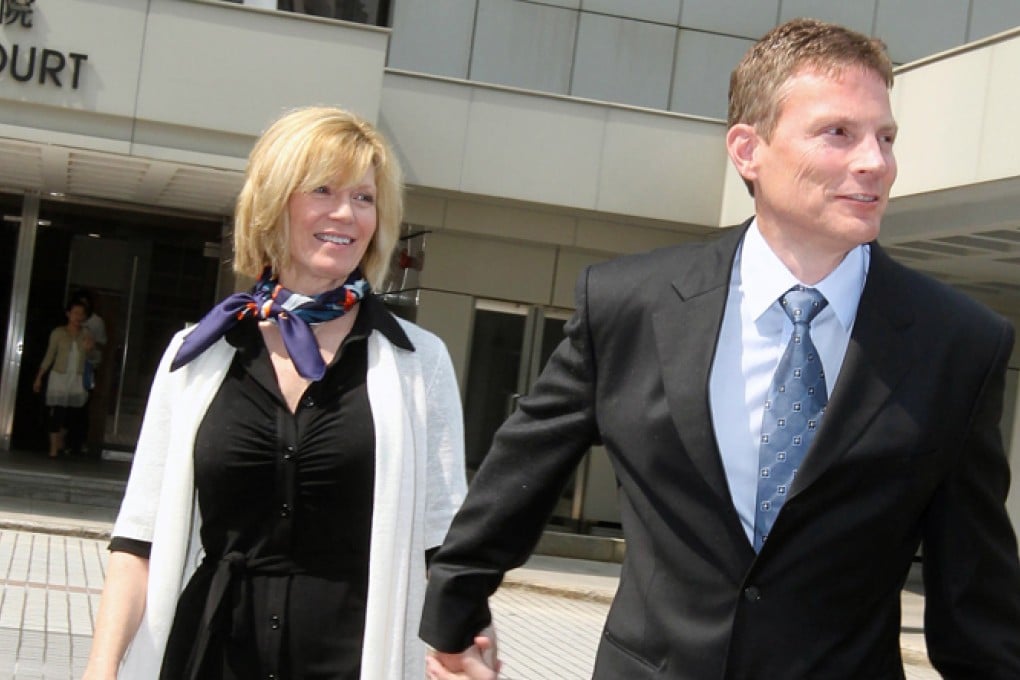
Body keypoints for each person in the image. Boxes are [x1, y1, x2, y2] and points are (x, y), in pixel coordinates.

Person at [420, 17, 1020, 680]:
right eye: (838, 133)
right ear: (747, 150)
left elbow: (976, 593)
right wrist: (457, 603)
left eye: (885, 137)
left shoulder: (957, 344)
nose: (875, 162)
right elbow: (522, 467)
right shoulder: (630, 305)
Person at [82, 106, 469, 680]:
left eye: (364, 198)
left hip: (352, 661)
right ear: (272, 202)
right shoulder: (199, 352)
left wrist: (465, 640)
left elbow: (445, 544)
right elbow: (138, 539)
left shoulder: (417, 363)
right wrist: (101, 667)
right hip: (210, 658)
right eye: (323, 190)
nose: (346, 213)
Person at [33, 298, 94, 458]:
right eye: (75, 313)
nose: (78, 317)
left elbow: (90, 357)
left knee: (72, 414)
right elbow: (50, 355)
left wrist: (89, 348)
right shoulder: (59, 333)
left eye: (81, 314)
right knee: (57, 412)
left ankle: (61, 441)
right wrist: (39, 377)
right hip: (59, 377)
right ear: (68, 314)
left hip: (77, 378)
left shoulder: (86, 334)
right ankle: (53, 448)